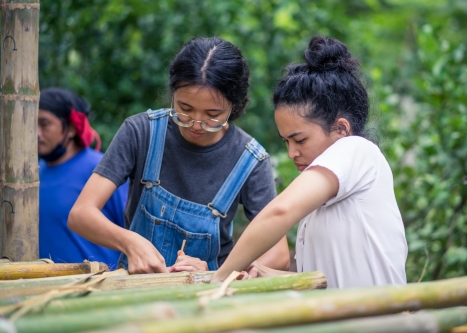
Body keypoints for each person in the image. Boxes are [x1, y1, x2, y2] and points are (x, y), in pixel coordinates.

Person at [69, 37, 290, 274]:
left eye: (212, 114)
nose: (196, 124)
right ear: (172, 93)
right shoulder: (142, 132)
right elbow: (81, 214)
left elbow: (278, 254)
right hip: (134, 292)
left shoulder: (250, 160)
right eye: (184, 109)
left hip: (206, 298)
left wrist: (217, 273)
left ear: (234, 107)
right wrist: (129, 242)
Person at [211, 36, 408, 288]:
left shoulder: (356, 149)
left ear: (341, 128)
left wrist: (219, 277)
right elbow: (328, 282)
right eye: (286, 142)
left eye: (300, 140)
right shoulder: (322, 201)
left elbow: (279, 211)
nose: (292, 153)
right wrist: (264, 272)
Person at [38, 88, 128, 269]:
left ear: (70, 128)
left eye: (44, 124)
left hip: (97, 289)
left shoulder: (102, 170)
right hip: (44, 290)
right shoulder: (33, 173)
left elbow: (134, 229)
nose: (36, 133)